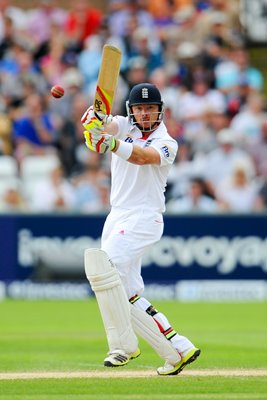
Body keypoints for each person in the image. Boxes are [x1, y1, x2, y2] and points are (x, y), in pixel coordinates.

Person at [81, 83, 200, 375]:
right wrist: (93, 123)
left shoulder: (167, 142)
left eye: (150, 108)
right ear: (131, 110)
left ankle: (123, 346)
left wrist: (108, 143)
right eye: (139, 108)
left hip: (145, 218)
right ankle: (177, 349)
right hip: (117, 215)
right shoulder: (123, 125)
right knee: (127, 291)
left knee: (102, 267)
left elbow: (141, 157)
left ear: (160, 111)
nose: (145, 114)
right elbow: (99, 125)